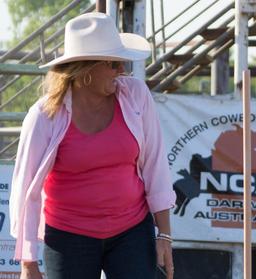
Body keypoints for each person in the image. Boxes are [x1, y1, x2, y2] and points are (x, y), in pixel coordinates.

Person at [9, 12, 176, 279]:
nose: (122, 70)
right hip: (68, 235)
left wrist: (164, 235)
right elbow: (26, 188)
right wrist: (28, 262)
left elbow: (156, 166)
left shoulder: (136, 95)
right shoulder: (44, 115)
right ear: (85, 69)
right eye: (113, 63)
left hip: (132, 230)